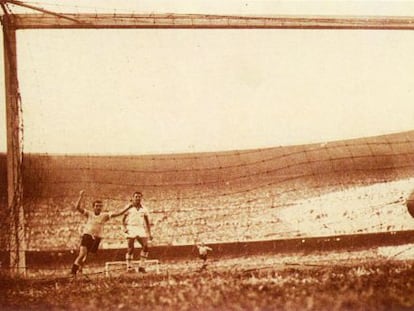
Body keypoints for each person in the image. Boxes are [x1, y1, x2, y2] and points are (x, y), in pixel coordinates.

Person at [70, 190, 131, 277]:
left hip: (97, 237)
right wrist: (80, 196)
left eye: (100, 206)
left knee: (87, 257)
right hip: (87, 235)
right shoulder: (89, 213)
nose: (98, 207)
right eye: (97, 206)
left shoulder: (105, 215)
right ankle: (73, 272)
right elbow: (78, 208)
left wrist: (128, 207)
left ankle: (80, 270)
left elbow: (118, 213)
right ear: (93, 207)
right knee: (82, 254)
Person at [123, 191, 153, 273]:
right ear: (133, 198)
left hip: (140, 228)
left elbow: (147, 222)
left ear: (141, 198)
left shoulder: (144, 209)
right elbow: (123, 220)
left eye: (139, 197)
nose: (138, 198)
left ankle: (141, 266)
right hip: (130, 227)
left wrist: (149, 233)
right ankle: (129, 267)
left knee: (146, 246)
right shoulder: (129, 207)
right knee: (130, 248)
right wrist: (125, 228)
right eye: (136, 196)